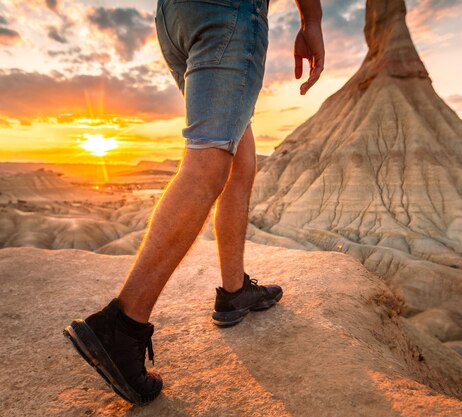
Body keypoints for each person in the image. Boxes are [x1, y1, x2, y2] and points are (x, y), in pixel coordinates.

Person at [63, 0, 324, 405]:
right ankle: (123, 324)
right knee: (209, 162)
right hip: (230, 11)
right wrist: (312, 20)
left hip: (173, 17)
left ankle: (234, 291)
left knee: (237, 154)